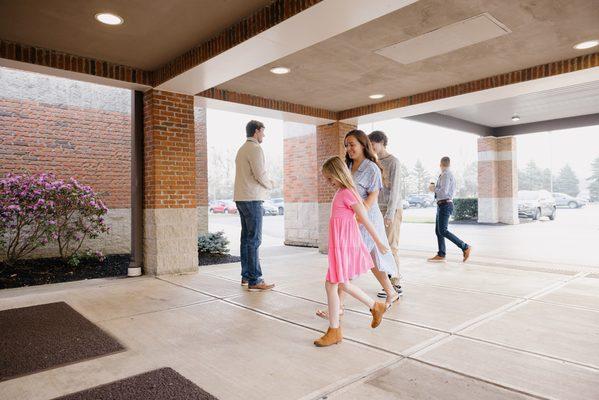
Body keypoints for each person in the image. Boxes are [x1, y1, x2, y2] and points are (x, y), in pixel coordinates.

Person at [314, 156, 388, 347]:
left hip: (344, 245)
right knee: (342, 284)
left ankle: (334, 330)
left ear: (339, 174)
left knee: (331, 285)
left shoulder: (348, 193)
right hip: (339, 244)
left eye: (331, 179)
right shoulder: (342, 191)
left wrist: (379, 242)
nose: (329, 183)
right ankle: (375, 306)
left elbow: (364, 218)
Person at [234, 120, 275, 291]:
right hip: (252, 199)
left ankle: (246, 276)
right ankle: (255, 279)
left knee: (246, 239)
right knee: (254, 240)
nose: (264, 135)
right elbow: (260, 174)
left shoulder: (242, 149)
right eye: (263, 132)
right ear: (256, 131)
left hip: (241, 198)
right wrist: (271, 184)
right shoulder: (255, 149)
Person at [368, 131, 403, 298]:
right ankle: (388, 283)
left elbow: (395, 189)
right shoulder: (374, 162)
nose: (371, 147)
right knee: (382, 246)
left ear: (381, 142)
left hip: (392, 209)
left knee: (391, 246)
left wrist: (389, 213)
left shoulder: (393, 162)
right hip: (377, 209)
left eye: (372, 143)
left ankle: (396, 284)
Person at [428, 156, 472, 262]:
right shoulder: (444, 174)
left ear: (440, 164)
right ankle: (441, 254)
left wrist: (433, 189)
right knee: (438, 231)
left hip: (445, 205)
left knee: (443, 230)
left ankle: (465, 246)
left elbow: (443, 191)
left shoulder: (446, 175)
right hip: (441, 205)